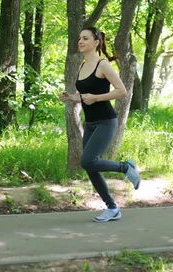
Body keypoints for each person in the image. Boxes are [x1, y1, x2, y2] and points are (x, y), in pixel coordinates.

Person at [59, 27, 141, 223]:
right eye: (79, 38)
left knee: (87, 161)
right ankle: (112, 208)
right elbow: (86, 95)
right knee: (91, 167)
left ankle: (126, 167)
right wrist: (72, 98)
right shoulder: (82, 65)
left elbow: (121, 91)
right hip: (91, 123)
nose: (80, 41)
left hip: (106, 121)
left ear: (96, 42)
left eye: (85, 38)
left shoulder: (102, 65)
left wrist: (96, 98)